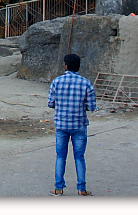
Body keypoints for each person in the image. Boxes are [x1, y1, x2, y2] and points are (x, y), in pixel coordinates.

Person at [48, 53, 97, 196]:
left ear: (66, 65)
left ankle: (58, 188)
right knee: (80, 157)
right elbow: (92, 107)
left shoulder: (56, 82)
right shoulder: (86, 83)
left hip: (62, 124)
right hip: (79, 124)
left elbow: (51, 103)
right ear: (78, 66)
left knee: (60, 156)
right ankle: (82, 189)